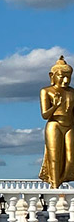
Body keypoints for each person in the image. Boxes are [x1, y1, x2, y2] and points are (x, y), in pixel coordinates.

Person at [39, 56, 74, 188]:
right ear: (52, 76)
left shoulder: (72, 92)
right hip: (54, 124)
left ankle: (61, 182)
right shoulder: (46, 91)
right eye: (61, 76)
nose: (65, 80)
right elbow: (44, 115)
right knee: (55, 158)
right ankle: (54, 186)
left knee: (70, 158)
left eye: (68, 77)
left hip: (70, 125)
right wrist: (55, 105)